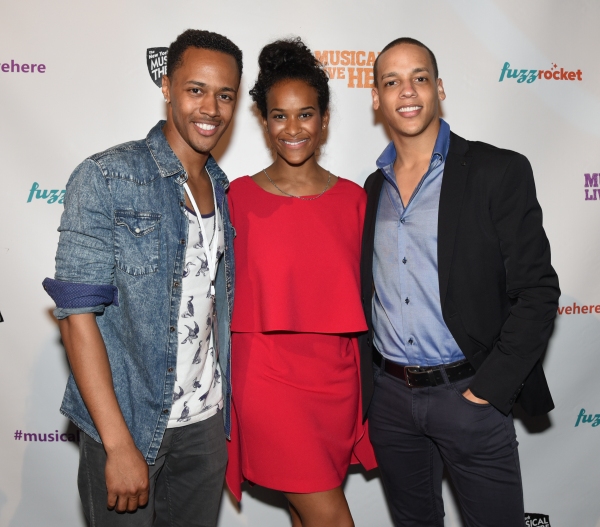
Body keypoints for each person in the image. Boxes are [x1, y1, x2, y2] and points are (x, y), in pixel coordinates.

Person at [42, 29, 242, 526]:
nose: (211, 108)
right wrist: (117, 443)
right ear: (167, 87)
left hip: (204, 426)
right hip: (130, 425)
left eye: (225, 95)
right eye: (196, 89)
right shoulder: (106, 176)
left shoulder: (223, 188)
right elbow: (76, 316)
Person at [360, 37, 560, 527]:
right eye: (392, 82)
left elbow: (537, 290)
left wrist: (488, 390)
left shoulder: (497, 170)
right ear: (376, 99)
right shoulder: (372, 187)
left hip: (469, 393)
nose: (407, 92)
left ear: (439, 88)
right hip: (390, 399)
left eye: (419, 78)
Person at [225, 38, 376, 527]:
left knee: (305, 511)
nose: (293, 128)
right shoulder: (237, 199)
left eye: (305, 114)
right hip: (267, 378)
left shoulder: (356, 201)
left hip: (337, 379)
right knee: (330, 515)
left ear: (325, 119)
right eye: (279, 116)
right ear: (265, 122)